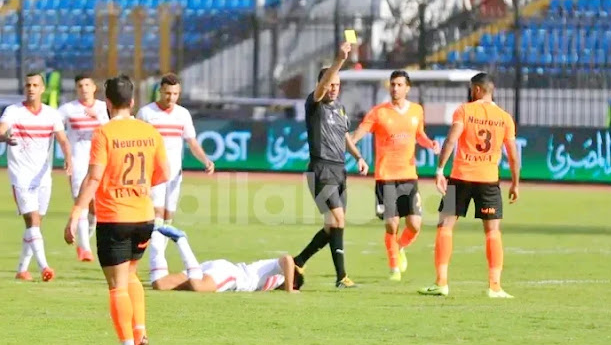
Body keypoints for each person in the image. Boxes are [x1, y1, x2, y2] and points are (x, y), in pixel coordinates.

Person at [63, 75, 170, 345]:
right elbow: (163, 173)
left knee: (117, 285)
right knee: (132, 273)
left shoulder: (104, 133)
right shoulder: (150, 131)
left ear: (107, 103)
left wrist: (76, 212)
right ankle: (139, 331)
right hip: (144, 216)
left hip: (115, 217)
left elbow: (95, 176)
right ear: (132, 101)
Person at [418, 72, 519, 299]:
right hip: (489, 180)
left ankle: (441, 282)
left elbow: (451, 139)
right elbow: (512, 155)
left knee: (445, 226)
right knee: (492, 231)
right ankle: (495, 286)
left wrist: (439, 169)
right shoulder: (505, 117)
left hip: (460, 176)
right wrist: (515, 183)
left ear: (476, 90)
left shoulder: (464, 110)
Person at [350, 70, 440, 281]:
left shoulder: (417, 110)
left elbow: (420, 135)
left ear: (407, 88)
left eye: (399, 85)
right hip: (385, 176)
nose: (395, 88)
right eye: (392, 84)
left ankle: (399, 247)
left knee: (415, 224)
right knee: (391, 223)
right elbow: (360, 132)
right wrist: (349, 142)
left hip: (409, 175)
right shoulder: (378, 112)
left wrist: (430, 143)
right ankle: (394, 268)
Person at [293, 41, 368, 289]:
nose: (334, 89)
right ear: (322, 84)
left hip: (339, 169)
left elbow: (345, 137)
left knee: (333, 224)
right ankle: (342, 277)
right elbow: (323, 85)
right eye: (330, 84)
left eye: (337, 85)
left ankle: (299, 260)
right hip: (321, 169)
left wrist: (358, 157)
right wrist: (340, 60)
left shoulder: (340, 109)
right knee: (338, 219)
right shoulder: (314, 105)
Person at [136, 73, 215, 284]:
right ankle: (156, 265)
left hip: (175, 175)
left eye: (175, 94)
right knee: (156, 217)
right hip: (153, 174)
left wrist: (205, 160)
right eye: (168, 93)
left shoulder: (183, 114)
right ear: (160, 91)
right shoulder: (146, 113)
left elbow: (192, 142)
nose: (171, 97)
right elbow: (136, 143)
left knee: (168, 219)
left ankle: (156, 259)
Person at [0, 73, 72, 282]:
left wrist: (68, 157)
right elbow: (2, 129)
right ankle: (44, 267)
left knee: (35, 224)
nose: (31, 88)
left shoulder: (51, 114)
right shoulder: (14, 111)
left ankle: (22, 270)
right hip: (20, 175)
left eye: (35, 85)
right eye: (28, 85)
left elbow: (63, 140)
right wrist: (5, 136)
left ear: (42, 89)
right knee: (32, 220)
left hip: (43, 178)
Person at [150, 225, 303, 293]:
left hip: (217, 268)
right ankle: (181, 240)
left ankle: (156, 233)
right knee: (198, 287)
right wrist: (290, 289)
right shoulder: (280, 276)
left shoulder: (274, 278)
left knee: (160, 284)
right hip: (231, 276)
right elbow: (288, 260)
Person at [58, 74, 110, 262]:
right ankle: (86, 249)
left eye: (87, 84)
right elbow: (55, 127)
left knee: (95, 209)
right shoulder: (68, 109)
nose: (84, 88)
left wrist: (98, 118)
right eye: (80, 85)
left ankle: (83, 241)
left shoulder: (103, 108)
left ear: (94, 87)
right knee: (80, 201)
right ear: (76, 88)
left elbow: (112, 129)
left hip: (98, 160)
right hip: (77, 160)